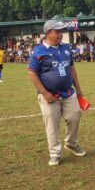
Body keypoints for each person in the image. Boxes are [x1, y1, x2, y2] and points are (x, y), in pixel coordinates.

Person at [28, 20, 86, 166]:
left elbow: (72, 69)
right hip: (49, 96)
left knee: (75, 117)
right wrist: (44, 93)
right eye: (57, 31)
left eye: (61, 31)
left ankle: (71, 143)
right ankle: (55, 153)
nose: (61, 34)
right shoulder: (38, 51)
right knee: (52, 125)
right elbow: (32, 73)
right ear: (48, 33)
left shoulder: (65, 48)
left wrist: (78, 89)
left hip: (68, 93)